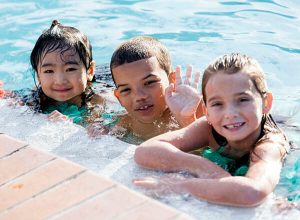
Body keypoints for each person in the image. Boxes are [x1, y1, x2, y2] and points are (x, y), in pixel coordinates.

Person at [133, 53, 290, 207]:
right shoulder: (208, 127)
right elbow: (145, 151)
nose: (230, 113)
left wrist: (183, 185)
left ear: (266, 102)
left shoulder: (269, 145)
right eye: (217, 104)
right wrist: (206, 169)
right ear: (206, 110)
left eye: (243, 100)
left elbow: (252, 192)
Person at [89, 36, 203, 144]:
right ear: (119, 98)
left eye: (149, 82)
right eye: (126, 90)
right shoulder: (123, 124)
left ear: (172, 80)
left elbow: (206, 149)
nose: (139, 96)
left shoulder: (192, 111)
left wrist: (187, 121)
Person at [22, 20, 105, 126]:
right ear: (38, 76)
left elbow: (96, 129)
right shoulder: (33, 98)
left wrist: (72, 124)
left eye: (70, 69)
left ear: (90, 71)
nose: (60, 81)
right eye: (49, 71)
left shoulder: (98, 99)